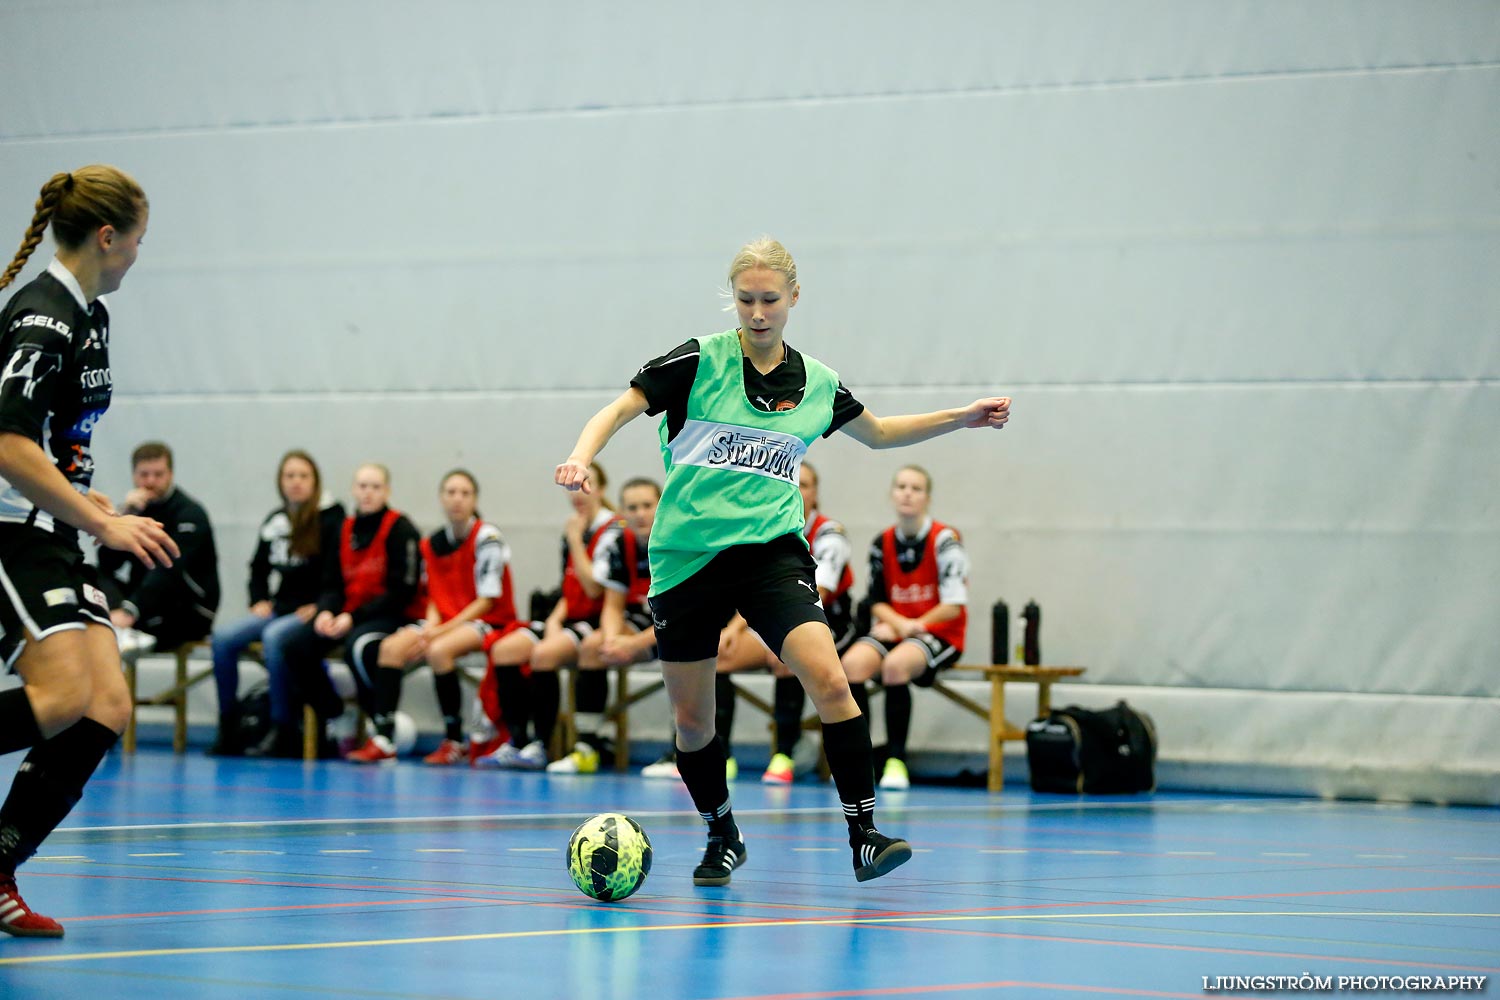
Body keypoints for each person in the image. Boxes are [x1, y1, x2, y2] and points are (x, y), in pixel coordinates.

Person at [554, 237, 1009, 885]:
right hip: (687, 557)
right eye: (746, 300)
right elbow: (622, 406)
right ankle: (722, 834)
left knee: (830, 680)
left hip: (771, 552)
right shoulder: (697, 361)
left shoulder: (817, 383)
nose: (758, 312)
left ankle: (865, 835)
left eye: (770, 299)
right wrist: (580, 454)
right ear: (732, 300)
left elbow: (879, 433)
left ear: (793, 298)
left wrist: (960, 419)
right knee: (691, 720)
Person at [0, 165, 177, 936]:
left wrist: (89, 501)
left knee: (105, 706)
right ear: (109, 236)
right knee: (61, 696)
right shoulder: (43, 318)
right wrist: (104, 525)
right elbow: (7, 446)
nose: (142, 252)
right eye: (139, 237)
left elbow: (48, 442)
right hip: (11, 530)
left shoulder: (92, 316)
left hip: (56, 527)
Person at [347, 469, 520, 765]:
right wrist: (430, 626)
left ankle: (454, 739)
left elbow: (487, 601)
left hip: (490, 621)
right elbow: (433, 598)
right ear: (441, 498)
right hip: (446, 622)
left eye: (465, 493)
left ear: (474, 499)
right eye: (451, 492)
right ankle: (384, 737)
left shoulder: (488, 537)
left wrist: (439, 633)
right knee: (391, 648)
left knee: (439, 650)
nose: (457, 500)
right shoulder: (431, 544)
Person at [253, 463, 422, 758]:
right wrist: (326, 612)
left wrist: (351, 618)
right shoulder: (345, 529)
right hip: (345, 614)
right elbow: (331, 583)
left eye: (375, 487)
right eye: (362, 486)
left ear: (387, 491)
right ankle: (334, 711)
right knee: (294, 646)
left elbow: (401, 591)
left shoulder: (401, 528)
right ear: (354, 490)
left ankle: (380, 726)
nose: (368, 493)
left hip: (388, 614)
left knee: (358, 647)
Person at [712, 460, 856, 784]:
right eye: (791, 481)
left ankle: (784, 753)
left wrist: (776, 639)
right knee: (722, 655)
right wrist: (734, 630)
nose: (797, 489)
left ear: (816, 494)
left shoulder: (831, 533)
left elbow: (822, 591)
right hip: (773, 618)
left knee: (789, 659)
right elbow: (750, 590)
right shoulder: (766, 529)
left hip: (827, 620)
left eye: (805, 484)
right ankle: (721, 754)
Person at [475, 462, 617, 771]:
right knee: (504, 650)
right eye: (574, 486)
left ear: (602, 489)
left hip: (598, 618)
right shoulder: (574, 529)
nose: (578, 493)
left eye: (587, 484)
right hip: (569, 615)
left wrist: (577, 540)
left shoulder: (611, 529)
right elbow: (569, 586)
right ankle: (517, 740)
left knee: (543, 655)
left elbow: (594, 588)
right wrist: (553, 620)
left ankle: (542, 744)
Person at [206, 450, 344, 756]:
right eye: (289, 476)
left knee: (275, 638)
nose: (295, 483)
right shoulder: (276, 519)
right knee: (224, 639)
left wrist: (321, 606)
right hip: (280, 608)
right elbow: (257, 567)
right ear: (280, 482)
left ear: (315, 481)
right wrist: (259, 600)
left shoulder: (332, 517)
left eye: (303, 476)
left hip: (310, 611)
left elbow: (339, 572)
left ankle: (282, 727)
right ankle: (228, 724)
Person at [840, 465, 969, 790]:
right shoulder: (881, 543)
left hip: (941, 631)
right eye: (901, 486)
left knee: (895, 667)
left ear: (927, 497)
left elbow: (954, 604)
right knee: (851, 665)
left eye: (916, 488)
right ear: (892, 494)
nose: (907, 493)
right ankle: (862, 758)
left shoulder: (946, 540)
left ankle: (897, 761)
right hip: (899, 628)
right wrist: (901, 625)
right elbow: (876, 600)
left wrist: (915, 625)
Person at [544, 476, 662, 775]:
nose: (639, 513)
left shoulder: (675, 543)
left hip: (684, 623)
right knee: (593, 646)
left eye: (647, 505)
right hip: (643, 620)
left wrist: (633, 644)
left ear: (661, 506)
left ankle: (681, 753)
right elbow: (612, 605)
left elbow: (681, 615)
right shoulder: (621, 543)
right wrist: (611, 640)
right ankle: (587, 747)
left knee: (685, 649)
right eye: (632, 507)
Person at [96, 441, 220, 655]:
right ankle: (121, 628)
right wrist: (124, 516)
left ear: (170, 474)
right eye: (144, 475)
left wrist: (131, 610)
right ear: (134, 476)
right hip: (146, 605)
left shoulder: (190, 514)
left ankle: (124, 626)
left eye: (158, 474)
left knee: (165, 566)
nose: (151, 481)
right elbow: (107, 563)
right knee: (90, 572)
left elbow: (170, 568)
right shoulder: (135, 511)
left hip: (188, 610)